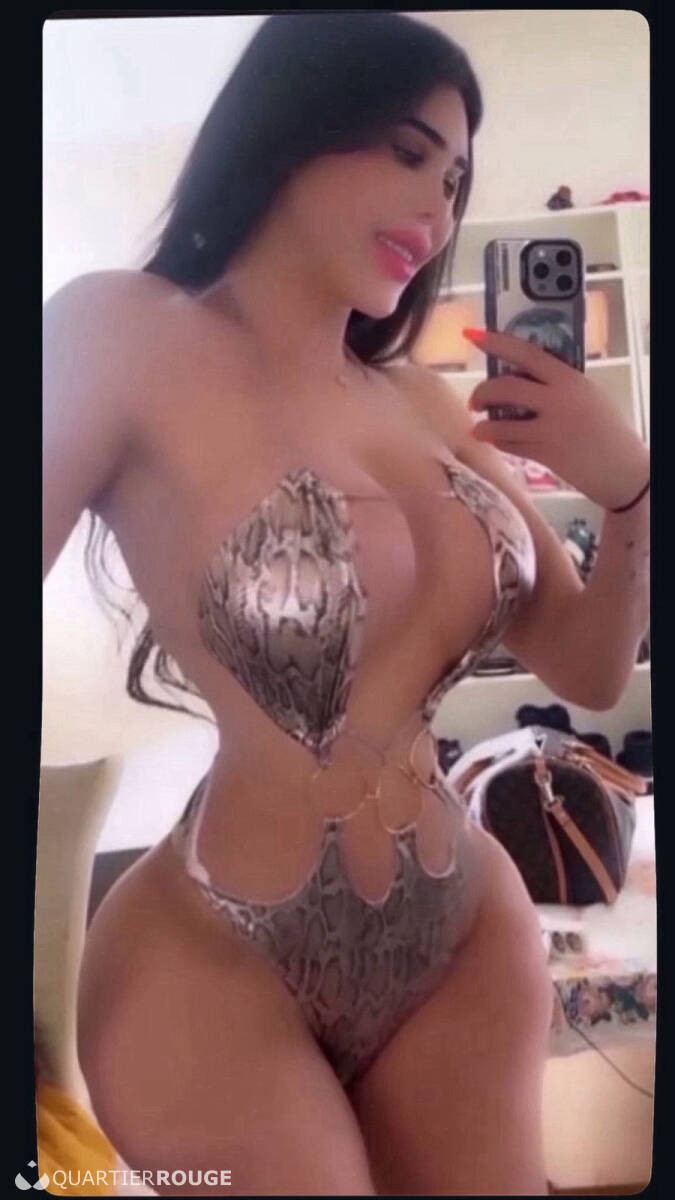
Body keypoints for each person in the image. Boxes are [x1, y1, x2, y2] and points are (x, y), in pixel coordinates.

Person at [43, 13, 650, 1196]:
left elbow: (585, 666)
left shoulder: (421, 400)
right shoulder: (121, 330)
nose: (437, 205)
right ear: (292, 125)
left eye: (456, 179)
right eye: (409, 152)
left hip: (462, 941)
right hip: (212, 960)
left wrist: (631, 489)